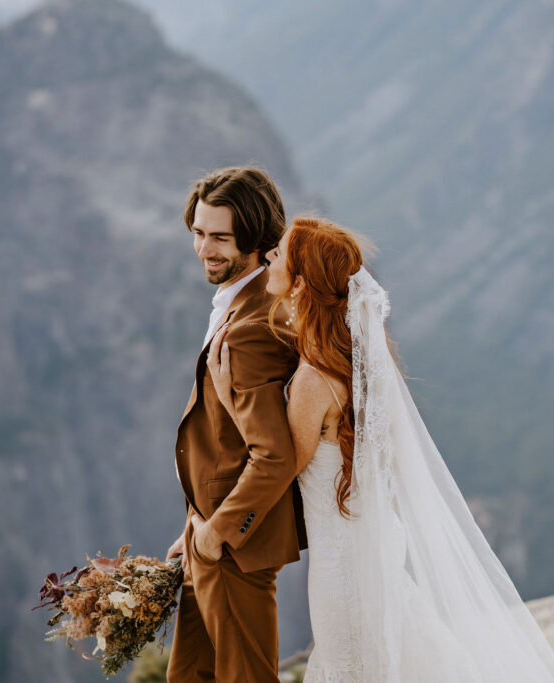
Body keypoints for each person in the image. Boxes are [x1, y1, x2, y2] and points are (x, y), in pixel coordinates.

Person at [207, 216, 554, 681]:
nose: (269, 256)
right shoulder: (351, 363)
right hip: (371, 548)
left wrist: (231, 399)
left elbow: (280, 467)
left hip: (342, 566)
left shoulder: (313, 379)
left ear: (301, 282)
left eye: (280, 254)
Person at [165, 167, 306, 683]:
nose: (205, 248)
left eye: (221, 237)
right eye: (199, 233)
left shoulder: (250, 329)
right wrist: (194, 530)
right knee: (190, 676)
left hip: (232, 548)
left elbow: (274, 455)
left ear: (256, 239)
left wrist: (217, 534)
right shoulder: (239, 301)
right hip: (208, 532)